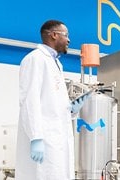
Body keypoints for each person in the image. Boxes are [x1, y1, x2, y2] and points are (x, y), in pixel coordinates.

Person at [15, 20, 88, 180]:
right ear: (54, 35)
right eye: (66, 35)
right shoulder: (35, 59)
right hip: (44, 139)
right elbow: (29, 101)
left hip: (56, 139)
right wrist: (36, 137)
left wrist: (70, 110)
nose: (69, 40)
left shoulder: (55, 64)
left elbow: (51, 104)